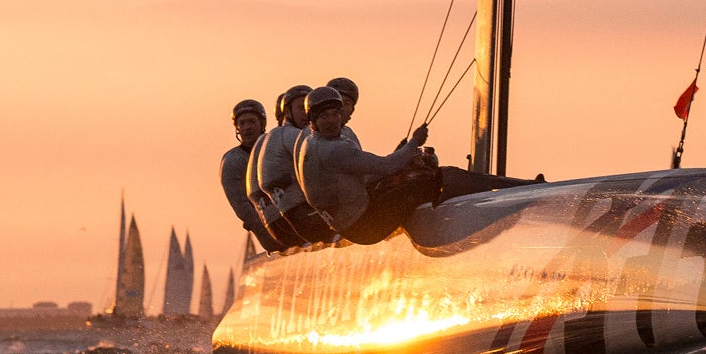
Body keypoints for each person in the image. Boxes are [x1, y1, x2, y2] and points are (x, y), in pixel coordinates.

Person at [296, 86, 530, 245]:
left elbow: (363, 174)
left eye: (335, 114)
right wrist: (415, 143)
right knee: (435, 177)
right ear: (313, 121)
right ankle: (517, 192)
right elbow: (386, 167)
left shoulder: (309, 142)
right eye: (324, 116)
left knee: (415, 175)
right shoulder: (333, 149)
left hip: (352, 222)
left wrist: (403, 158)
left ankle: (509, 187)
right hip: (366, 226)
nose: (332, 121)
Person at [249, 83, 337, 248]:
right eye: (300, 108)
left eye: (308, 108)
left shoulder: (265, 140)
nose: (306, 114)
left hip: (278, 227)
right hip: (302, 220)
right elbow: (330, 163)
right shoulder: (292, 135)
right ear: (287, 112)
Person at [220, 100, 281, 252]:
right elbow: (242, 206)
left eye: (251, 122)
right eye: (242, 123)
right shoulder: (232, 162)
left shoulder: (277, 147)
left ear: (262, 124)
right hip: (271, 231)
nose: (246, 127)